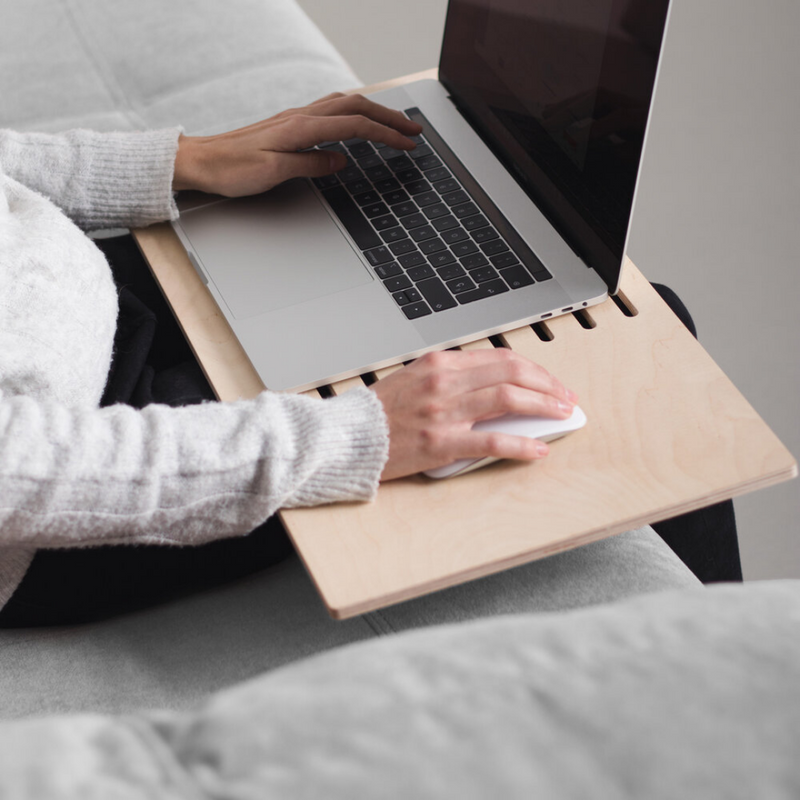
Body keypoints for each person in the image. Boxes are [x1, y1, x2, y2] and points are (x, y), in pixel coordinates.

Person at [0, 93, 583, 627]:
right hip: (73, 482)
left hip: (77, 289)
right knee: (637, 336)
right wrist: (347, 440)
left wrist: (186, 162)